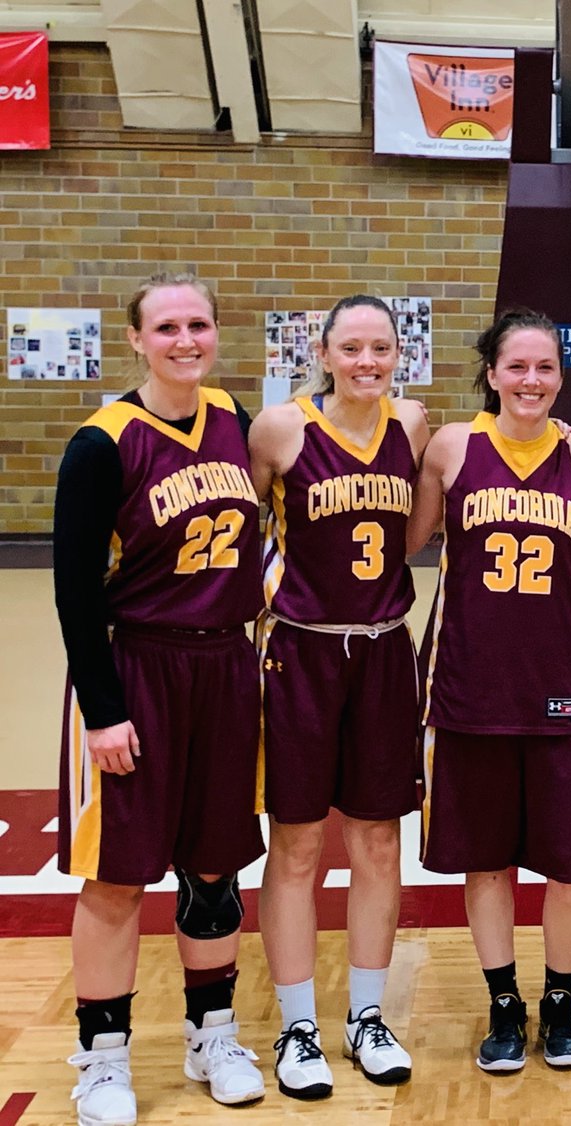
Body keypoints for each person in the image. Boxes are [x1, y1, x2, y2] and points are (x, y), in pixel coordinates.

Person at [53, 273, 266, 1125]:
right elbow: (73, 589)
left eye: (200, 325)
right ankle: (102, 1058)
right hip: (137, 668)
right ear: (136, 340)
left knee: (213, 865)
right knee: (115, 876)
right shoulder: (101, 443)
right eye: (168, 327)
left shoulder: (237, 424)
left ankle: (211, 1030)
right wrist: (103, 709)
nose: (187, 340)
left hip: (225, 668)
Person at [408, 309, 571, 1073]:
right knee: (486, 861)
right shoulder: (452, 447)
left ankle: (560, 1003)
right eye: (517, 367)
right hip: (468, 684)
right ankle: (504, 1003)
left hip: (559, 681)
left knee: (568, 866)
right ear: (491, 373)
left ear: (561, 377)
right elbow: (406, 541)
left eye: (545, 369)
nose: (532, 381)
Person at [249, 295, 429, 1099]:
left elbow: (417, 533)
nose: (367, 361)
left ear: (400, 354)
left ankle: (366, 1016)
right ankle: (296, 1026)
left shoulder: (413, 425)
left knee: (378, 843)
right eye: (351, 347)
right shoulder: (279, 430)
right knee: (296, 845)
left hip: (385, 649)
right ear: (323, 353)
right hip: (301, 652)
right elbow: (241, 523)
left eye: (381, 347)